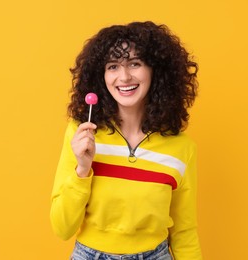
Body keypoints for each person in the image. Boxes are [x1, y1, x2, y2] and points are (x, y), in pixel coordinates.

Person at [50, 21, 202, 259]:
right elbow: (62, 227)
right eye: (113, 66)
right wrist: (82, 169)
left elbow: (184, 231)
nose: (124, 76)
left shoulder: (182, 148)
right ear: (101, 76)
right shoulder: (82, 135)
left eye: (135, 63)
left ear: (156, 71)